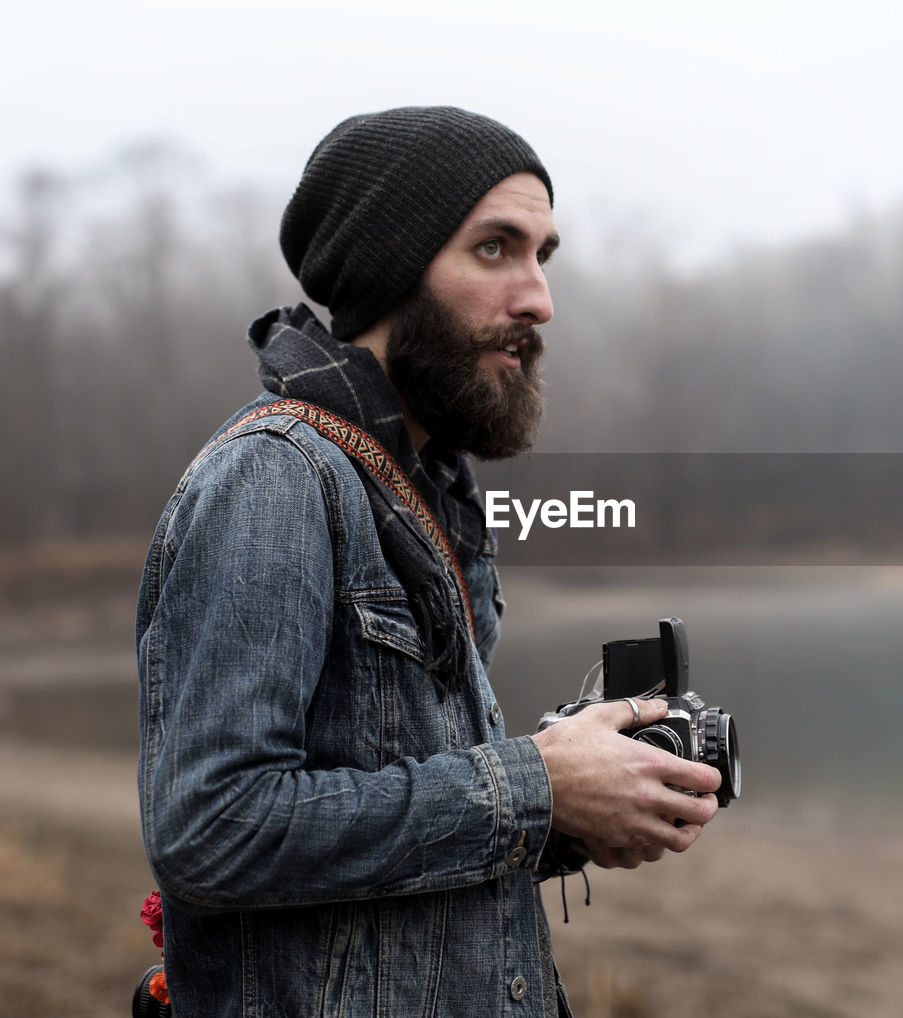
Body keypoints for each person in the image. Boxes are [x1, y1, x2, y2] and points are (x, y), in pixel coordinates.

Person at [136, 106, 721, 1018]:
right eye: (495, 249)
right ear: (390, 273)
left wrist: (572, 812)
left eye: (543, 255)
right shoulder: (277, 478)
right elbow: (215, 830)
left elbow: (388, 839)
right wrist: (538, 783)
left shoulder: (420, 490)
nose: (538, 299)